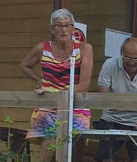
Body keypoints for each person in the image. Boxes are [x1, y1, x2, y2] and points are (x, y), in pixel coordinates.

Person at [19, 8, 94, 148]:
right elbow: (25, 65)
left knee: (74, 150)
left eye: (67, 26)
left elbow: (84, 86)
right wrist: (38, 80)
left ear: (73, 29)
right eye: (59, 26)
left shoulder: (84, 49)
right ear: (52, 29)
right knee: (48, 149)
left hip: (74, 106)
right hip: (47, 106)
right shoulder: (42, 48)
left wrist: (55, 92)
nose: (64, 30)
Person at [94, 36, 137, 162]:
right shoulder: (109, 65)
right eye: (127, 58)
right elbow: (103, 96)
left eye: (136, 59)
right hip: (111, 120)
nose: (131, 62)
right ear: (121, 52)